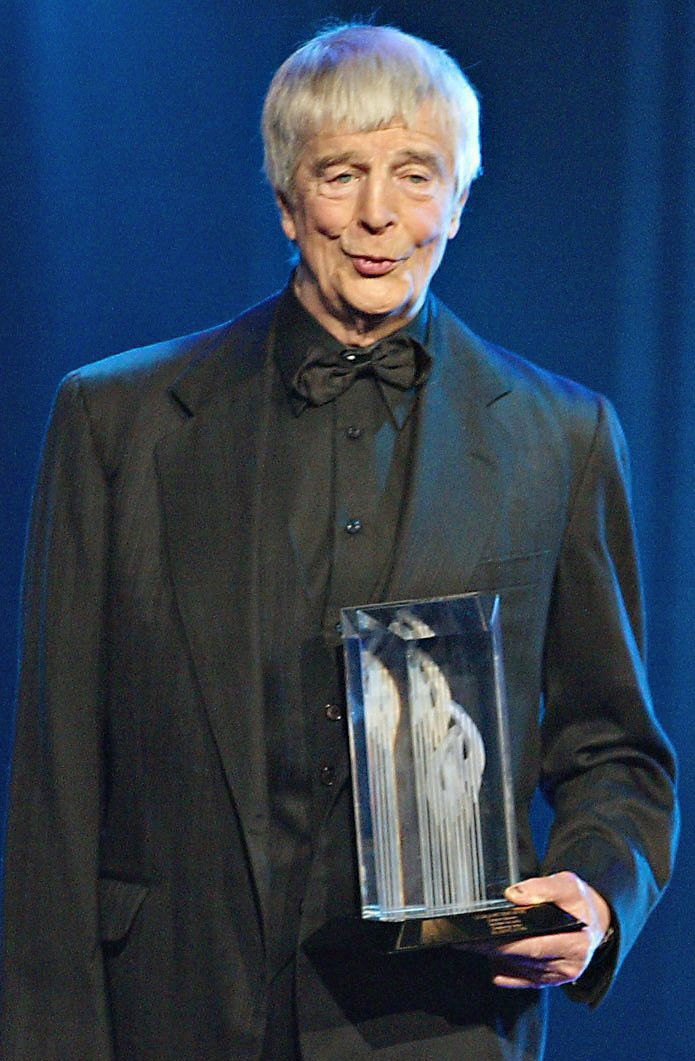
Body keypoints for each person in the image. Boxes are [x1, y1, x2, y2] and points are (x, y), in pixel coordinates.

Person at [0, 23, 678, 1061]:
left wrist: (593, 893)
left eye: (415, 174)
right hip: (171, 1012)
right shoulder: (117, 423)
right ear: (286, 198)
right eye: (340, 174)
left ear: (458, 199)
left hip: (440, 1023)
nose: (377, 214)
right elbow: (55, 783)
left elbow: (614, 751)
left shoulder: (561, 438)